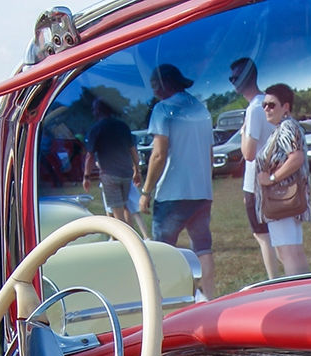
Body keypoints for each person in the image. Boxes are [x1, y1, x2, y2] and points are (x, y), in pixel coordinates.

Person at [139, 63, 216, 296]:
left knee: (163, 252)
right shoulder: (201, 109)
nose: (153, 91)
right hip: (201, 191)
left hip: (172, 193)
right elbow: (210, 153)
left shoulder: (162, 110)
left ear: (164, 84)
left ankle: (168, 299)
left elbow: (159, 154)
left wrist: (146, 191)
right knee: (203, 249)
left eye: (154, 85)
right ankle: (211, 296)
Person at [254, 83, 311, 275]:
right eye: (264, 105)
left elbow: (296, 158)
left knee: (288, 253)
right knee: (291, 252)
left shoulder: (287, 127)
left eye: (272, 105)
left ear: (285, 106)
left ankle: (299, 295)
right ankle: (304, 291)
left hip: (283, 200)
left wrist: (271, 178)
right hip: (284, 200)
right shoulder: (284, 127)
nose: (266, 109)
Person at [230, 57, 278, 279]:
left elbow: (248, 153)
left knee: (263, 236)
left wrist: (242, 134)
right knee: (274, 234)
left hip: (256, 181)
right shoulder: (269, 103)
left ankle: (275, 280)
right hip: (271, 176)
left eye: (234, 77)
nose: (232, 82)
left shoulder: (254, 109)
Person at [83, 98, 145, 235]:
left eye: (94, 109)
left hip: (109, 175)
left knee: (117, 212)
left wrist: (86, 176)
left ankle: (124, 242)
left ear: (98, 111)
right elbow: (133, 150)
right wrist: (137, 170)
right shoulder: (122, 126)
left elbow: (90, 156)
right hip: (126, 174)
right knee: (125, 207)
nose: (93, 111)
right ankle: (132, 237)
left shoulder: (96, 129)